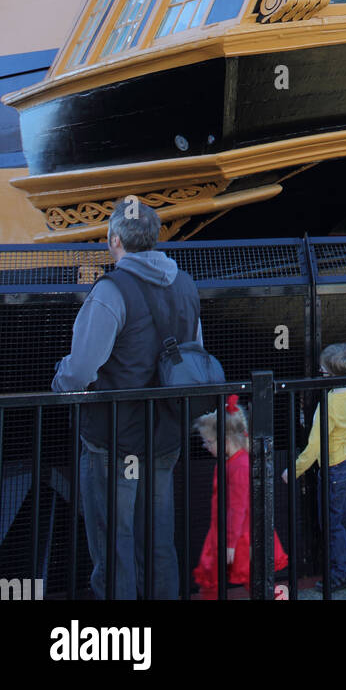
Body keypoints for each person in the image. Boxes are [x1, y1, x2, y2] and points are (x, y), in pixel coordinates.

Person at [52, 197, 201, 599]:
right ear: (154, 238)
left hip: (116, 438)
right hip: (165, 432)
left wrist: (58, 383)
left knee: (113, 539)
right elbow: (195, 354)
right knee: (158, 536)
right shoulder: (186, 285)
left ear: (115, 239)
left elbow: (81, 369)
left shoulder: (111, 290)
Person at [283, 342, 346, 592]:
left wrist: (293, 470)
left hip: (333, 467)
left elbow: (314, 448)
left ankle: (343, 570)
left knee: (330, 521)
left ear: (330, 375)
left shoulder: (328, 407)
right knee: (341, 513)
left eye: (323, 370)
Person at [194, 395, 287, 598]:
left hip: (238, 535)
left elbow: (238, 507)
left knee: (244, 580)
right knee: (237, 580)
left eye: (208, 442)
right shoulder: (233, 462)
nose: (206, 447)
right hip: (231, 531)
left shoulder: (238, 466)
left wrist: (230, 543)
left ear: (225, 440)